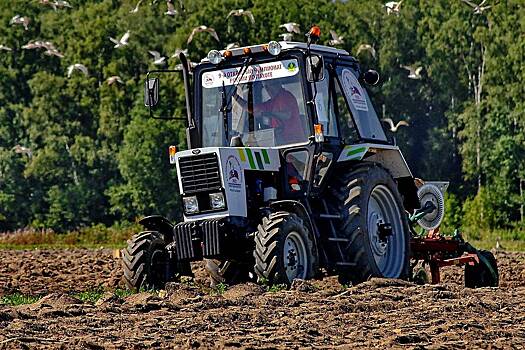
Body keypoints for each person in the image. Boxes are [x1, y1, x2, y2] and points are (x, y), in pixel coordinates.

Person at [233, 79, 306, 144]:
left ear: (278, 84)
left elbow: (287, 115)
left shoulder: (285, 96)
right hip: (279, 141)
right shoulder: (272, 102)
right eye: (266, 87)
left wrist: (269, 113)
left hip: (294, 143)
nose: (268, 90)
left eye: (271, 85)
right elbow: (253, 109)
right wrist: (236, 97)